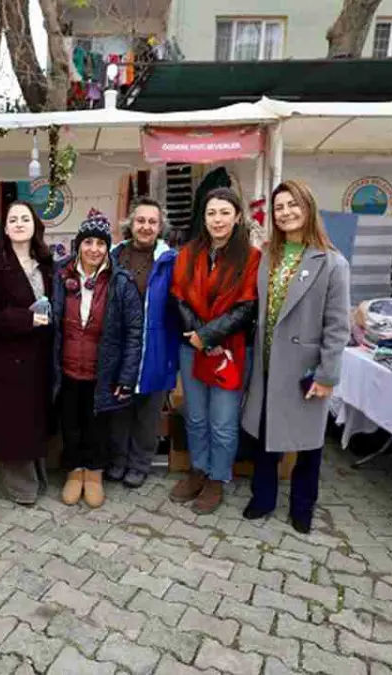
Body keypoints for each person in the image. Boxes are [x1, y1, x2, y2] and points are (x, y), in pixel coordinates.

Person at [242, 180, 350, 535]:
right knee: (265, 433)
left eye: (293, 205)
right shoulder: (267, 256)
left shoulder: (332, 263)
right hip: (268, 361)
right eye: (279, 207)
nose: (286, 212)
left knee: (308, 442)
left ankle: (303, 506)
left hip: (304, 366)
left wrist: (326, 374)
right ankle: (263, 497)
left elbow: (338, 325)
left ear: (308, 208)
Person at [171, 188, 261, 514]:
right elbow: (178, 295)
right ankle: (199, 469)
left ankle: (217, 478)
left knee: (222, 421)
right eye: (211, 213)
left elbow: (247, 306)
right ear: (203, 217)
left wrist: (208, 336)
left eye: (225, 212)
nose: (218, 220)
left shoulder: (252, 257)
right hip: (192, 347)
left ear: (237, 216)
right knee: (195, 417)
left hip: (231, 349)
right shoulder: (188, 253)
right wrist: (197, 336)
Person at [51, 209, 143, 508]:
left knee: (98, 426)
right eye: (88, 242)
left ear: (108, 247)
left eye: (101, 243)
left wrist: (127, 376)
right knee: (71, 423)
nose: (94, 249)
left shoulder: (121, 281)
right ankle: (74, 472)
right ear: (79, 244)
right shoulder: (60, 274)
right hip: (66, 368)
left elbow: (134, 332)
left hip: (103, 371)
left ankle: (94, 473)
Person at [0, 201, 55, 505]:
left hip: (40, 356)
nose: (19, 224)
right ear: (5, 229)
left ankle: (37, 473)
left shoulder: (46, 263)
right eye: (13, 219)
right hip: (7, 358)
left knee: (34, 418)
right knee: (13, 422)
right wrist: (25, 319)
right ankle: (20, 485)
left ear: (35, 226)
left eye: (25, 218)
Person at [105, 198, 180, 489]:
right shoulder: (112, 255)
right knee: (119, 406)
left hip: (156, 346)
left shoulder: (170, 260)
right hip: (120, 346)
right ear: (130, 224)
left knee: (148, 411)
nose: (146, 227)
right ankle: (118, 460)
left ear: (160, 227)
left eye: (152, 222)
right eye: (141, 221)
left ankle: (139, 463)